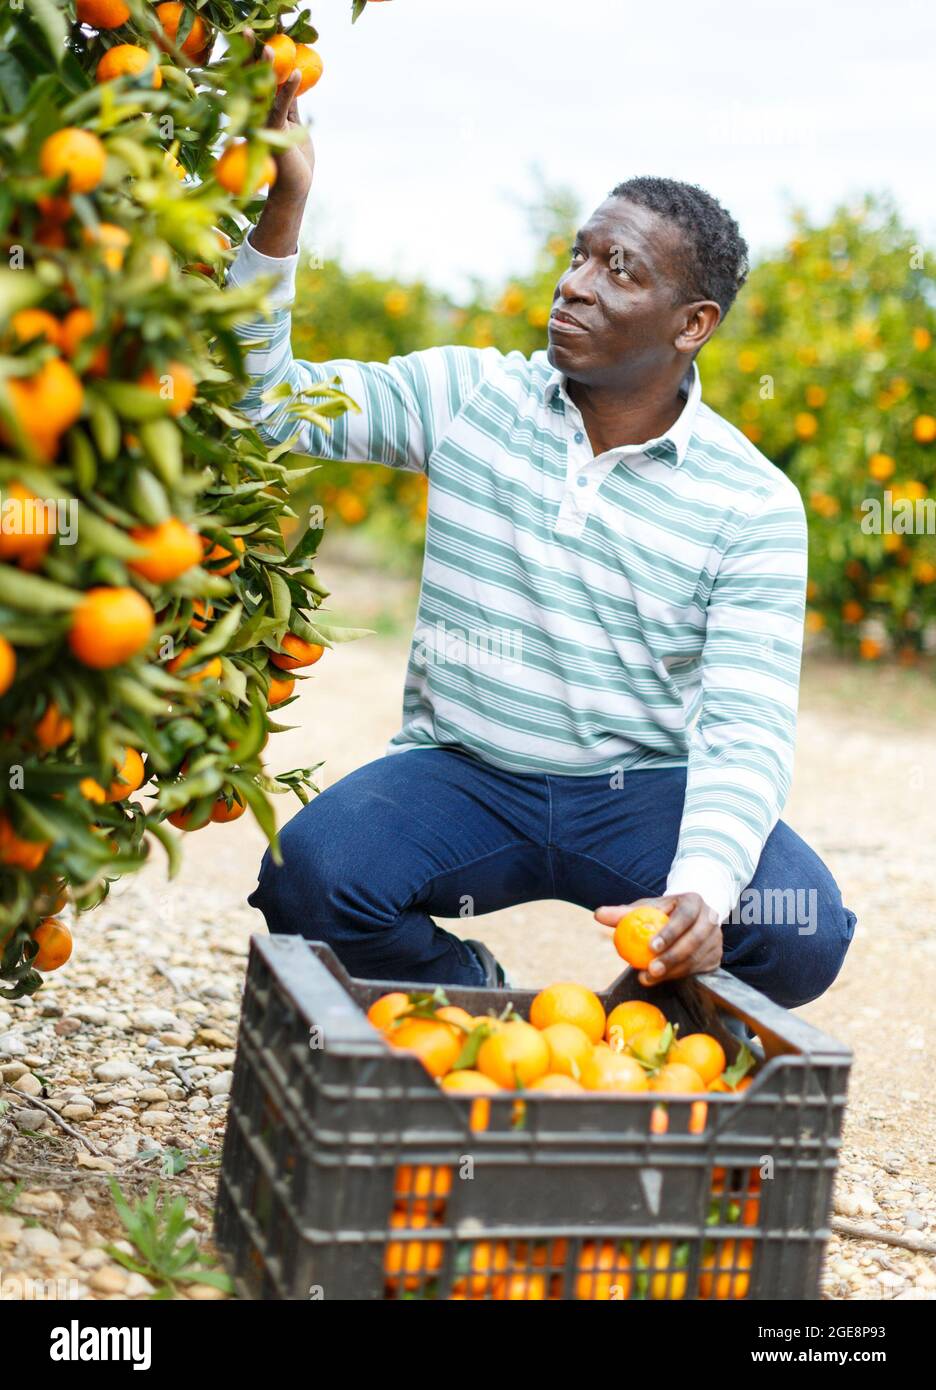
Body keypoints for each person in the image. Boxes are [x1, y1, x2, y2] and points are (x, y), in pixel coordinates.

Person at [226, 60, 856, 1008]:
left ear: (693, 324)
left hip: (638, 793)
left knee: (802, 929)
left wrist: (703, 890)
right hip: (466, 775)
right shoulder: (469, 398)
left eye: (619, 270)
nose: (575, 286)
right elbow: (265, 407)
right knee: (311, 877)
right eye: (578, 255)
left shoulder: (751, 503)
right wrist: (286, 203)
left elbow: (745, 726)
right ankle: (472, 993)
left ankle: (613, 1027)